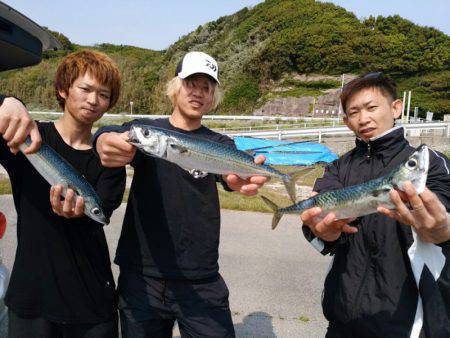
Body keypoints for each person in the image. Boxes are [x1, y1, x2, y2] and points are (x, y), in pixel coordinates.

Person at [94, 51, 268, 337]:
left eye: (206, 87)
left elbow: (230, 175)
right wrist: (103, 138)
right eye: (191, 84)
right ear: (175, 87)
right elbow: (114, 131)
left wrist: (235, 180)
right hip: (142, 276)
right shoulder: (150, 133)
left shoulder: (219, 142)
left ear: (213, 97)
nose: (198, 93)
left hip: (200, 277)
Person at [300, 73, 450, 338]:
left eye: (372, 107)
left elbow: (444, 208)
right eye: (354, 112)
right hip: (343, 317)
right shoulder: (337, 167)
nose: (363, 118)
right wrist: (324, 232)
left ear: (395, 108)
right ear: (347, 122)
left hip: (407, 321)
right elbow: (319, 225)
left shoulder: (428, 162)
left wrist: (442, 229)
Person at [0, 50, 126, 338]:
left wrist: (82, 213)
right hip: (32, 300)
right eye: (85, 89)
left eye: (104, 94)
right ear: (63, 89)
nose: (93, 100)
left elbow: (102, 211)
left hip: (92, 305)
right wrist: (9, 102)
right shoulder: (27, 136)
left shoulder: (109, 156)